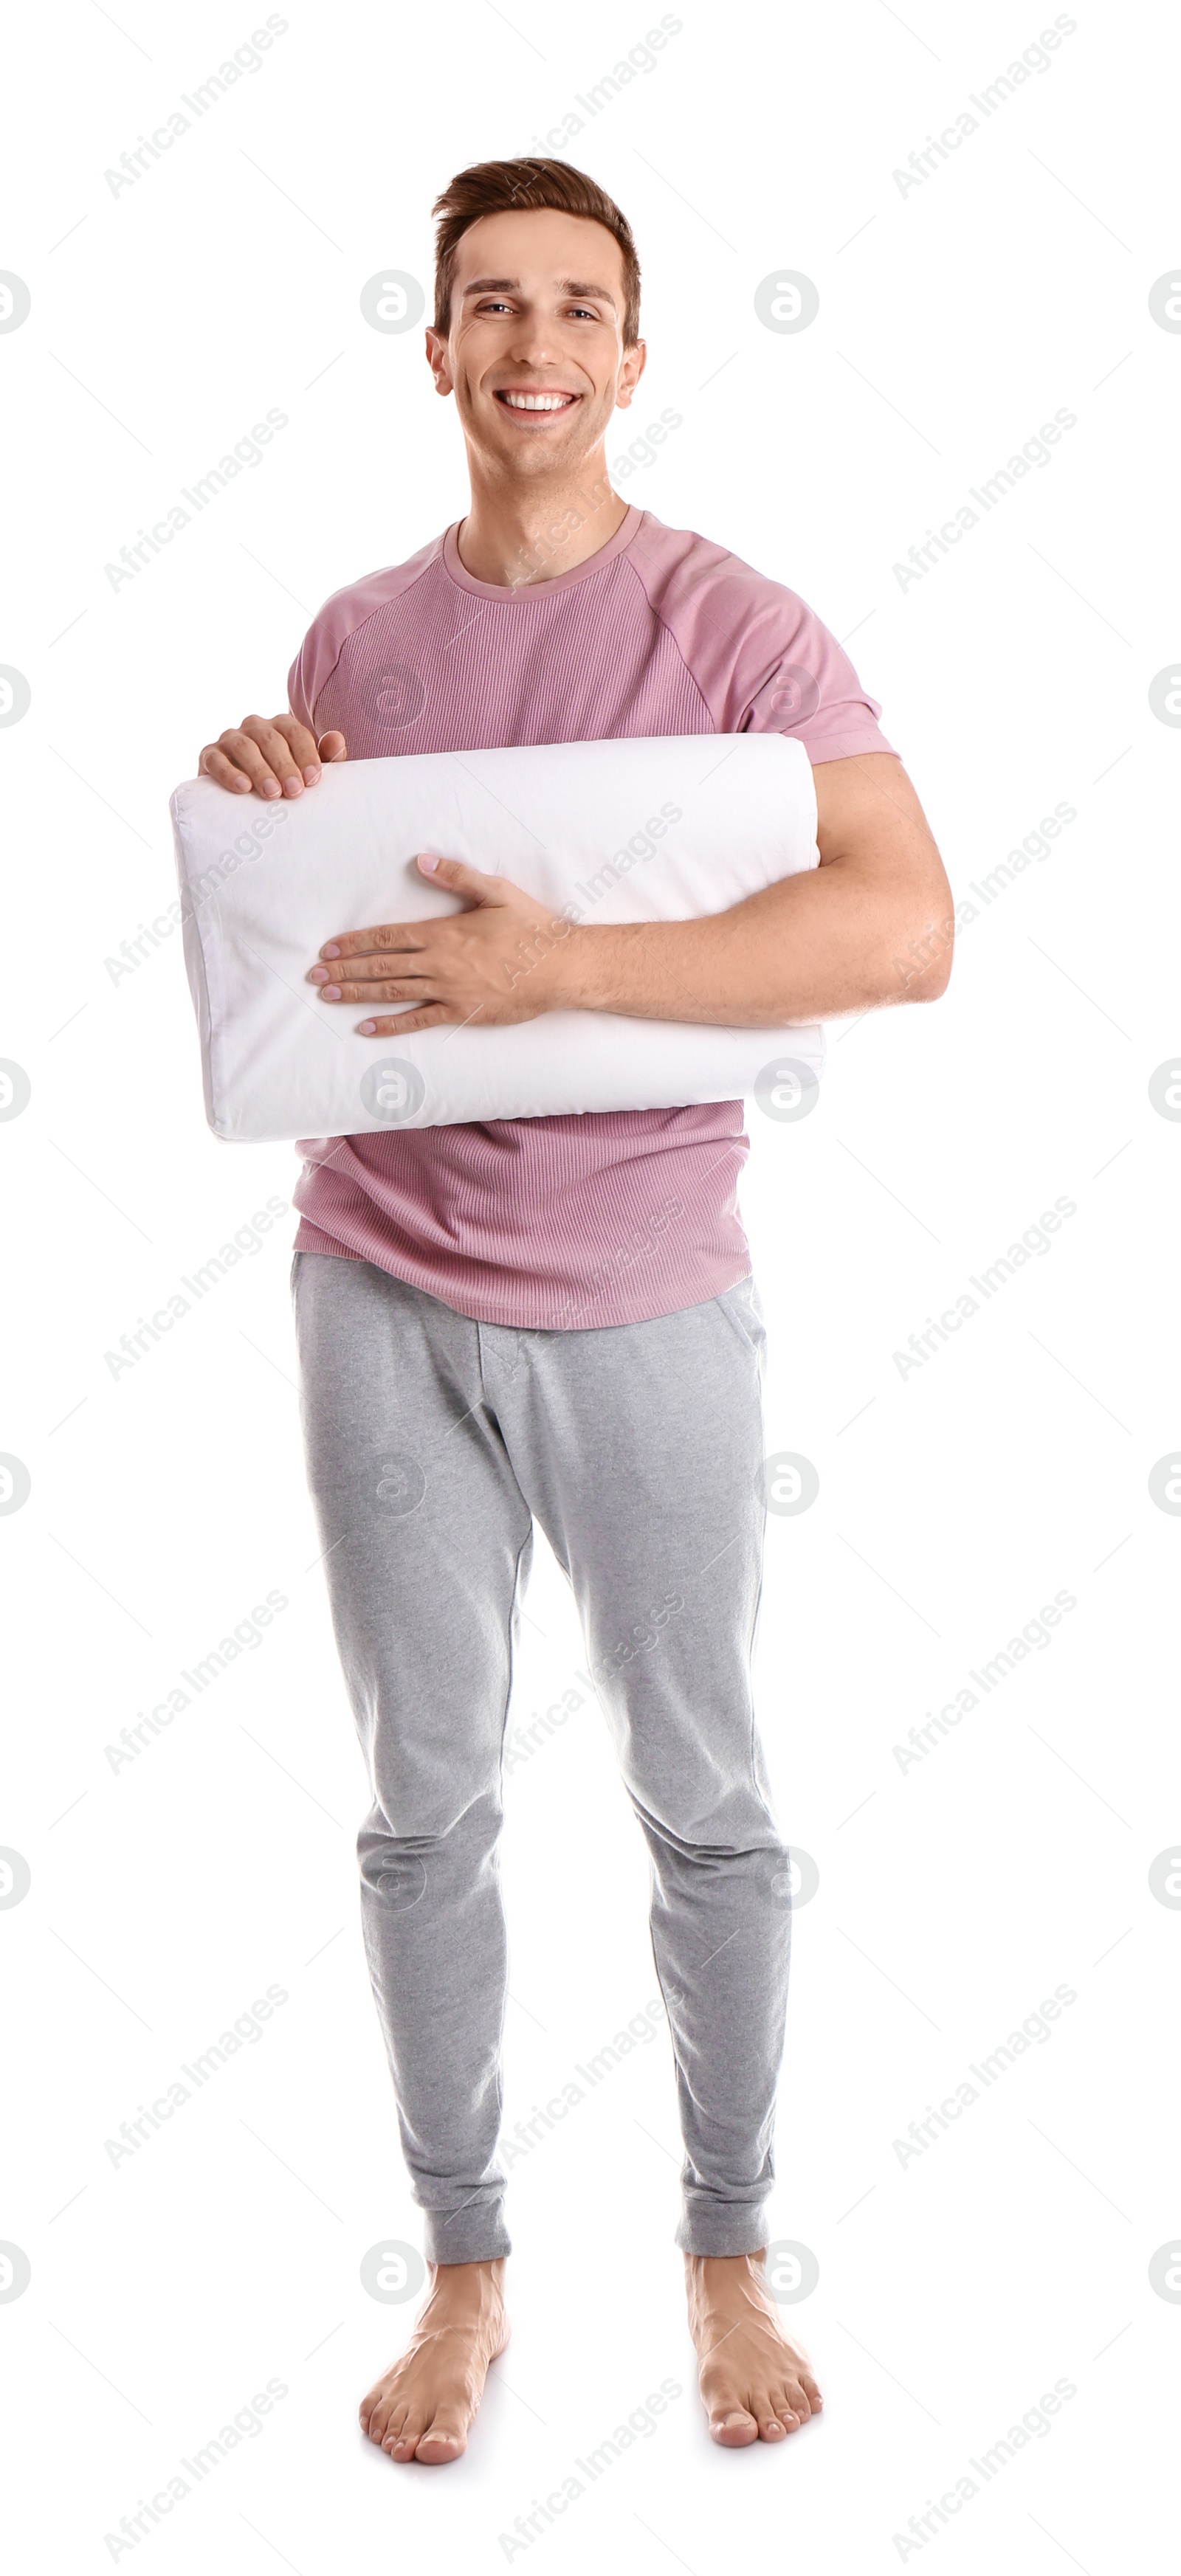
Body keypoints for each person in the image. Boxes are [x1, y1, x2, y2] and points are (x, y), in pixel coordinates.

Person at [198, 156, 952, 2468]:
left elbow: (903, 924)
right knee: (422, 1806)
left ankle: (725, 2249)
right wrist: (264, 793)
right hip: (378, 1278)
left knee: (700, 1793)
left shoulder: (737, 624)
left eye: (580, 307)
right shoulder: (352, 635)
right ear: (435, 350)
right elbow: (322, 956)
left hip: (641, 1293)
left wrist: (574, 971)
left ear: (633, 355)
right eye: (492, 305)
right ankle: (466, 2268)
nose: (536, 340)